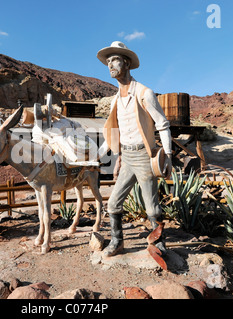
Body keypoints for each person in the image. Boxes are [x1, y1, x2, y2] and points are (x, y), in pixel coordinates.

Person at [97, 41, 173, 257]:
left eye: (115, 60)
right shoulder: (115, 101)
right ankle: (117, 242)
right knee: (113, 204)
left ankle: (158, 244)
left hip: (144, 155)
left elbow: (163, 123)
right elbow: (113, 134)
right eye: (108, 61)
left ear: (127, 63)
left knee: (152, 207)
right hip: (127, 157)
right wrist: (98, 156)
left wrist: (167, 155)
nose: (110, 65)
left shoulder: (144, 93)